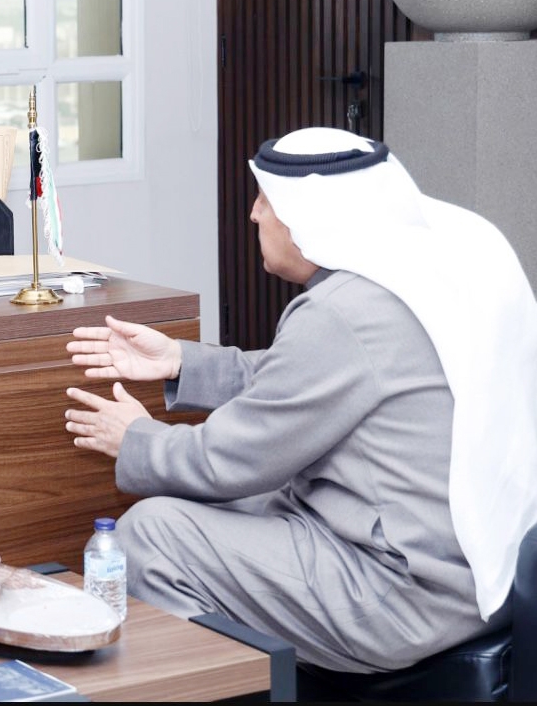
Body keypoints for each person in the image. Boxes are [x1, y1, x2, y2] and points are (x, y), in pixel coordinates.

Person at [64, 127, 537, 673]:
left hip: (403, 594)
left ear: (307, 214)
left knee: (149, 535)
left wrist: (134, 439)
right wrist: (180, 360)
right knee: (233, 507)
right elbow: (313, 378)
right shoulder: (442, 260)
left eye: (266, 199)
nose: (254, 214)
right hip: (479, 569)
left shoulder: (343, 311)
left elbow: (230, 460)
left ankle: (235, 687)